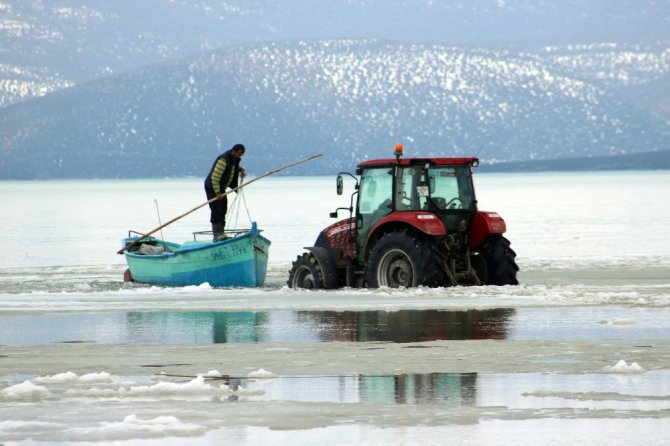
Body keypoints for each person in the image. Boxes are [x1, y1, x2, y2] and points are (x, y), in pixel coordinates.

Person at [204, 144, 247, 240]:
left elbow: (234, 166)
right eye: (239, 154)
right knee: (216, 210)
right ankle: (217, 236)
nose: (239, 157)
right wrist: (218, 193)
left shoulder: (233, 159)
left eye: (241, 155)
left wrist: (241, 170)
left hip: (221, 187)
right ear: (234, 151)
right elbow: (214, 178)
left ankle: (222, 234)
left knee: (223, 209)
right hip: (212, 187)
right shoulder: (223, 160)